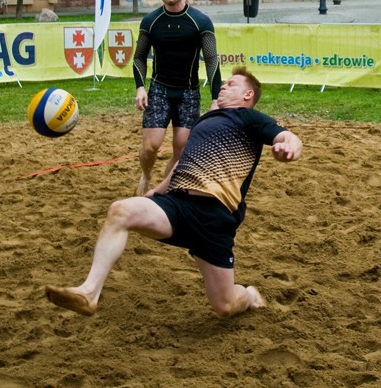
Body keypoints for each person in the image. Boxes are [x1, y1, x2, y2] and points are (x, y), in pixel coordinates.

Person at [45, 66, 303, 317]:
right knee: (121, 210)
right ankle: (89, 293)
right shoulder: (205, 122)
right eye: (224, 83)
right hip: (178, 206)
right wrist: (155, 193)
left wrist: (289, 148)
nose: (223, 86)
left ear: (248, 96)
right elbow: (182, 163)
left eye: (231, 84)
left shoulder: (249, 118)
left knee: (225, 305)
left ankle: (249, 295)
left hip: (215, 218)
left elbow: (288, 137)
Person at [133, 0, 222, 196]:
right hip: (159, 89)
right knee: (151, 145)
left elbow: (212, 60)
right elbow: (139, 57)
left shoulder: (201, 21)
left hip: (188, 92)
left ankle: (163, 192)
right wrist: (140, 87)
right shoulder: (151, 21)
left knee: (181, 148)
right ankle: (146, 174)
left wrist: (215, 98)